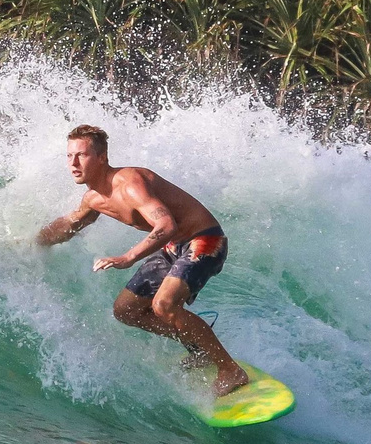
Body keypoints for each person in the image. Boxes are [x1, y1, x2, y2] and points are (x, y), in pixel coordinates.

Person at [35, 124, 249, 396]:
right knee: (126, 310)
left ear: (102, 157)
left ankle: (230, 370)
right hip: (175, 247)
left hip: (204, 241)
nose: (74, 163)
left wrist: (129, 257)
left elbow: (166, 225)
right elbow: (70, 224)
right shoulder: (94, 199)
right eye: (69, 156)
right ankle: (201, 347)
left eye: (82, 155)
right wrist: (32, 244)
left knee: (163, 305)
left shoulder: (130, 185)